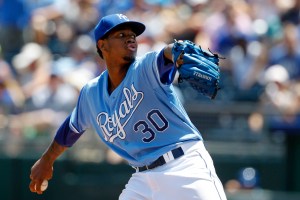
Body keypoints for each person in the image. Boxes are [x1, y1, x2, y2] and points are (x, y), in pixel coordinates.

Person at [29, 13, 227, 200]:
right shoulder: (91, 93)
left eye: (133, 35)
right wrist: (47, 160)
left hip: (184, 165)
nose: (131, 39)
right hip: (143, 179)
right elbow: (71, 129)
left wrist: (176, 50)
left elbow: (165, 55)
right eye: (121, 35)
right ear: (102, 45)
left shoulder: (144, 68)